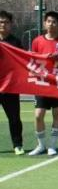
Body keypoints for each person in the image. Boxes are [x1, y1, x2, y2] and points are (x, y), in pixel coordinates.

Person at [27, 11, 58, 157]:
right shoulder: (37, 41)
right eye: (49, 21)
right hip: (42, 83)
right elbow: (32, 59)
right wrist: (45, 57)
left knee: (56, 113)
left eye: (54, 22)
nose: (51, 24)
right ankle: (40, 145)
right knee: (38, 115)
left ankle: (52, 145)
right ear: (45, 23)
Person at [0, 10, 24, 154]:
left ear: (11, 24)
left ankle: (18, 145)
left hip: (10, 86)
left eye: (6, 22)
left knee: (14, 118)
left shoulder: (16, 42)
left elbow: (23, 61)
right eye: (1, 22)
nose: (3, 24)